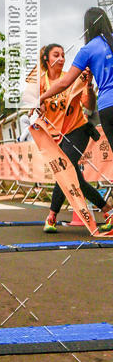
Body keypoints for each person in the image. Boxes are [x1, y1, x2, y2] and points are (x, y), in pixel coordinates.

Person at [37, 37, 113, 234]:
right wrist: (37, 106)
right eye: (56, 55)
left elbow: (89, 106)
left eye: (63, 55)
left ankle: (51, 216)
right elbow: (32, 106)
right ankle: (107, 210)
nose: (61, 59)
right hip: (54, 136)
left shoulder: (70, 77)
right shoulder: (40, 83)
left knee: (65, 170)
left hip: (77, 129)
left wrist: (88, 87)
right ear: (46, 58)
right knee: (73, 178)